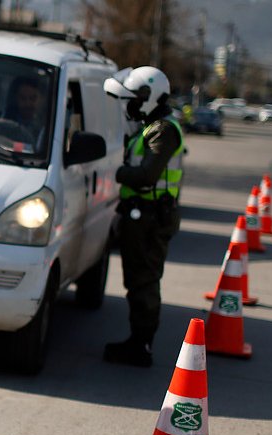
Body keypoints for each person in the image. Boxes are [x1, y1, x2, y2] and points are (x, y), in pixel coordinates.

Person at [102, 66, 184, 367]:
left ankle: (141, 346)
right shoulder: (150, 127)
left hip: (151, 218)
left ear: (149, 97)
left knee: (144, 282)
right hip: (142, 216)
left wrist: (116, 170)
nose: (130, 105)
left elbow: (147, 175)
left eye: (134, 99)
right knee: (137, 280)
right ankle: (138, 340)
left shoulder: (163, 129)